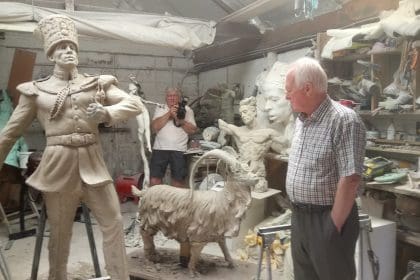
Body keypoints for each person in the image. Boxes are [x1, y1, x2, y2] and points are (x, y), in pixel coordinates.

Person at [0, 14, 144, 280]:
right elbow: (9, 134)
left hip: (94, 165)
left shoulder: (96, 84)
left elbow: (135, 105)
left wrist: (107, 113)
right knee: (61, 233)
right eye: (61, 47)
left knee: (113, 223)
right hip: (58, 167)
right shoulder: (36, 91)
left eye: (72, 47)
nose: (68, 51)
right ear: (51, 55)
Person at [285, 57, 366, 280]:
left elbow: (350, 178)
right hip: (300, 218)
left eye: (289, 90)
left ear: (307, 89)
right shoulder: (302, 120)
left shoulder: (344, 120)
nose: (286, 96)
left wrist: (333, 225)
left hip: (327, 219)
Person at [218, 96, 279, 192]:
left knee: (258, 192)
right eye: (241, 113)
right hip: (241, 174)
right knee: (239, 197)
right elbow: (221, 124)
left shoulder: (266, 132)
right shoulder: (238, 130)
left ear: (254, 112)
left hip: (258, 176)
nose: (242, 115)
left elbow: (283, 145)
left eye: (245, 112)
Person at [150, 87, 197, 188]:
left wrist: (180, 120)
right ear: (166, 98)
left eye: (174, 96)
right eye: (169, 96)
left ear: (179, 97)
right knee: (155, 179)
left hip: (179, 150)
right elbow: (154, 127)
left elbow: (192, 130)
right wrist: (169, 114)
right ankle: (156, 202)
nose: (171, 98)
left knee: (178, 181)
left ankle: (175, 203)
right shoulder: (160, 108)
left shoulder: (187, 110)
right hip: (160, 148)